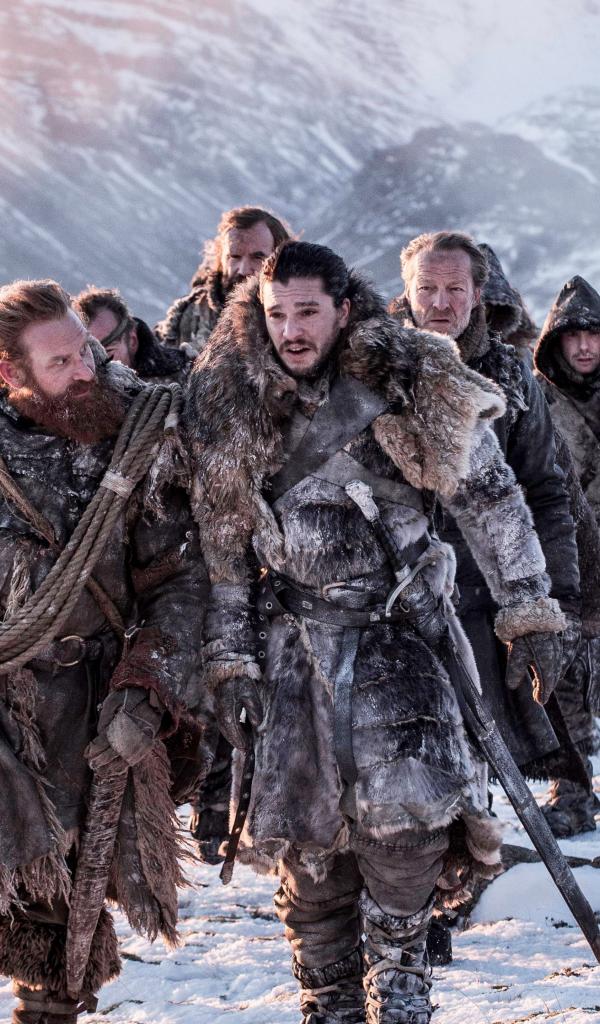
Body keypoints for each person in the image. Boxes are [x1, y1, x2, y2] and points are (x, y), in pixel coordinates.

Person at [185, 240, 569, 1023]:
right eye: (277, 314)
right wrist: (230, 660)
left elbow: (491, 499)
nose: (291, 331)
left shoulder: (408, 376)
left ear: (343, 307)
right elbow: (224, 550)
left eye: (307, 313)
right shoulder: (230, 396)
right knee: (310, 853)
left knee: (408, 833)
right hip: (292, 650)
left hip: (402, 642)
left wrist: (528, 609)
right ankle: (327, 1003)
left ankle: (400, 988)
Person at [0, 280, 207, 1023]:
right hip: (5, 703)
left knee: (59, 904)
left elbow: (180, 577)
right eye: (60, 364)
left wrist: (146, 683)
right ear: (10, 372)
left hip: (89, 704)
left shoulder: (140, 433)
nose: (85, 371)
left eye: (85, 351)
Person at [156, 205, 290, 354]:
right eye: (234, 257)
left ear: (280, 259)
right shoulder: (190, 315)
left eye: (258, 257)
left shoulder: (297, 318)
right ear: (220, 259)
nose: (243, 270)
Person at [73, 286, 192, 384]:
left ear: (133, 341)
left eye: (107, 353)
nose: (94, 368)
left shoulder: (185, 378)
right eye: (87, 354)